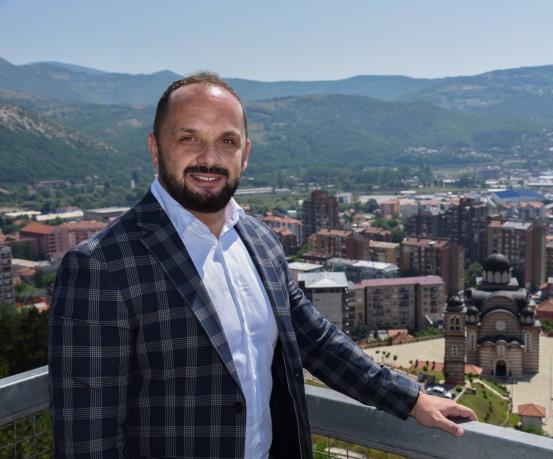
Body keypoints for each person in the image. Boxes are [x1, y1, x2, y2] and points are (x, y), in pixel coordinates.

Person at [48, 72, 476, 459]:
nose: (209, 158)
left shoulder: (259, 241)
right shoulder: (100, 266)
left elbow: (317, 341)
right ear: (155, 148)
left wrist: (410, 398)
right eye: (189, 138)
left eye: (227, 141)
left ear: (245, 153)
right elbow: (88, 439)